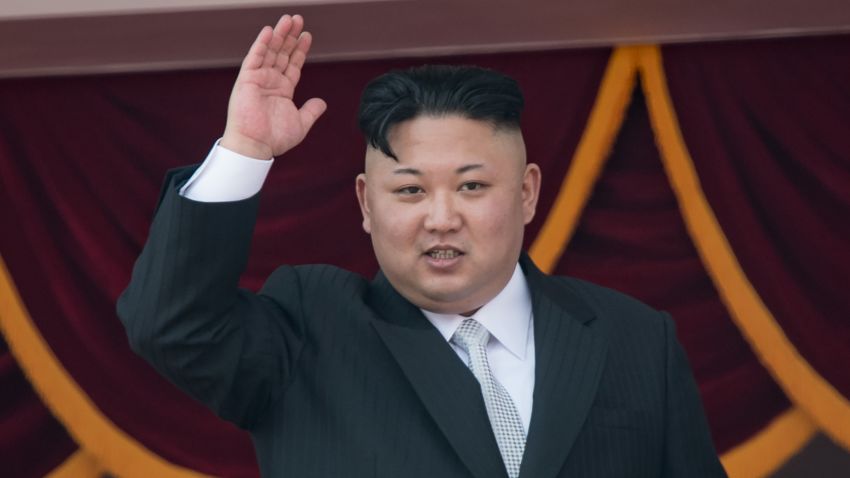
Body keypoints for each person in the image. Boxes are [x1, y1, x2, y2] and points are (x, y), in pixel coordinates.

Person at [118, 13, 727, 478]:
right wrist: (244, 147)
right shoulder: (311, 329)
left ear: (527, 193)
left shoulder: (635, 339)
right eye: (409, 190)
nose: (441, 217)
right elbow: (171, 325)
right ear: (364, 203)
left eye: (471, 186)